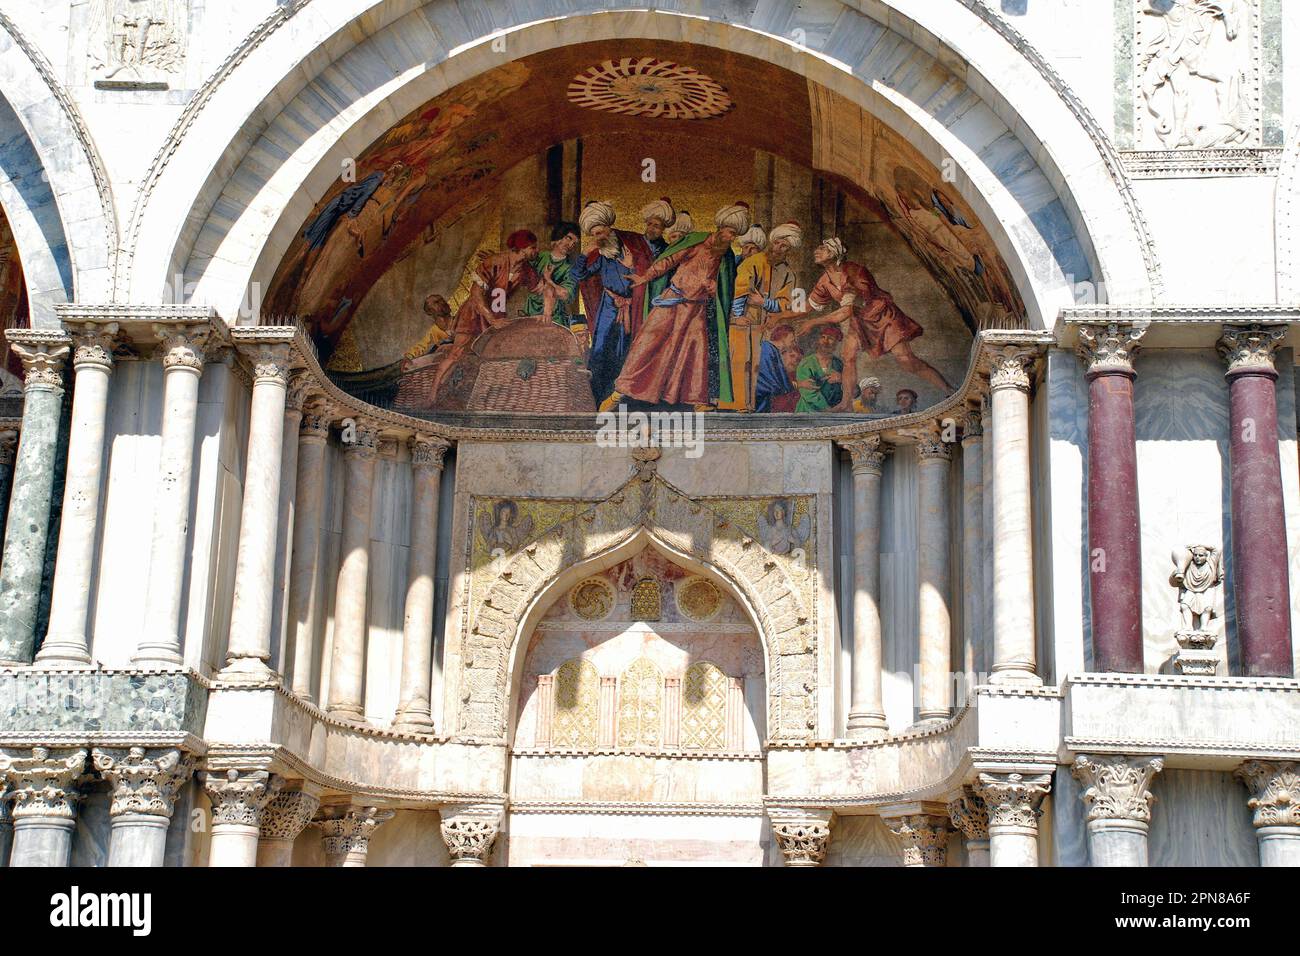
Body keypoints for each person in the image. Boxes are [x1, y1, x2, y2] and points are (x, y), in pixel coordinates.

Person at [600, 202, 749, 411]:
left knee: (696, 354)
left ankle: (698, 402)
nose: (731, 238)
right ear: (721, 227)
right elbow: (668, 261)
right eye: (730, 232)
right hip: (672, 301)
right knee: (647, 344)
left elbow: (725, 289)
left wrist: (714, 289)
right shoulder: (697, 241)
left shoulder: (726, 255)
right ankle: (619, 393)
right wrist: (645, 277)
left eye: (735, 235)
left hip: (697, 309)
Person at [786, 237, 953, 411]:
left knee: (906, 360)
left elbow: (845, 311)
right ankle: (846, 403)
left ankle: (948, 389)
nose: (817, 251)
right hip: (860, 320)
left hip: (881, 316)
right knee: (848, 356)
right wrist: (778, 315)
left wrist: (813, 321)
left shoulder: (854, 272)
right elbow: (806, 307)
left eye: (823, 248)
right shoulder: (825, 280)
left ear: (834, 253)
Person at [428, 229, 540, 400]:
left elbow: (541, 288)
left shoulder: (526, 270)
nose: (536, 251)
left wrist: (551, 294)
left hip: (496, 316)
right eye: (532, 247)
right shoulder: (495, 261)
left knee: (485, 354)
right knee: (457, 353)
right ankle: (432, 393)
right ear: (521, 248)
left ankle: (475, 396)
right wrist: (491, 319)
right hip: (474, 313)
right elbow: (476, 293)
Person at [572, 200, 656, 405]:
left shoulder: (633, 245)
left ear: (610, 228)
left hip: (631, 307)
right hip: (608, 305)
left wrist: (630, 267)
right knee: (600, 348)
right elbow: (578, 274)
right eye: (595, 235)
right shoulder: (601, 255)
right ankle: (595, 395)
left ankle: (620, 397)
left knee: (626, 351)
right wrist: (584, 254)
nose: (598, 238)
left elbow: (647, 274)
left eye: (601, 233)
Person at [724, 221, 801, 411]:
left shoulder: (788, 273)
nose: (779, 248)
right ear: (772, 241)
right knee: (739, 365)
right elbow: (740, 290)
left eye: (785, 246)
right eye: (778, 243)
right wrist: (736, 316)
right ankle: (735, 407)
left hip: (764, 328)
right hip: (742, 325)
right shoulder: (754, 261)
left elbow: (784, 304)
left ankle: (754, 409)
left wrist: (764, 303)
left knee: (759, 371)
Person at [522, 221, 580, 327]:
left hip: (554, 318)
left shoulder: (571, 268)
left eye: (575, 243)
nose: (571, 245)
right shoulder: (540, 256)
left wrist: (549, 280)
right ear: (559, 236)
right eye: (569, 238)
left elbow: (565, 294)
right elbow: (521, 267)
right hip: (531, 314)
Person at [795, 325, 844, 412]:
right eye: (823, 337)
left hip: (834, 413)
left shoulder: (838, 364)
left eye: (830, 338)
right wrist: (829, 411)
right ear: (818, 340)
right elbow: (809, 394)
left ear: (836, 342)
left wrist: (842, 379)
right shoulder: (806, 363)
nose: (825, 341)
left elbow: (853, 391)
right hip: (808, 412)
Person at [754, 323, 800, 413]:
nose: (794, 344)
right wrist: (794, 385)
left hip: (765, 396)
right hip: (760, 394)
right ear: (782, 338)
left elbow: (781, 377)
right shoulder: (767, 348)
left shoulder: (773, 350)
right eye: (792, 340)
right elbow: (769, 378)